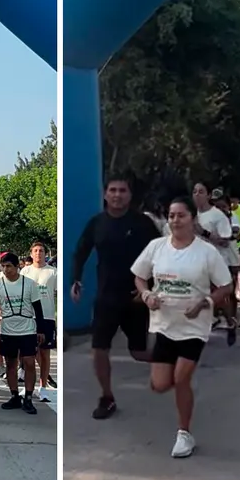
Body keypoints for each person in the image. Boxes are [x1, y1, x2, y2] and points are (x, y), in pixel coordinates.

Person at [132, 196, 233, 458]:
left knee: (181, 379)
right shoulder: (156, 247)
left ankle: (184, 434)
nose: (175, 220)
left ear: (193, 219)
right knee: (160, 383)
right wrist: (146, 296)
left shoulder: (206, 252)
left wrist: (205, 302)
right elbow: (140, 277)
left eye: (181, 215)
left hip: (194, 326)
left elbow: (226, 286)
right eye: (172, 215)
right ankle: (181, 389)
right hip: (164, 325)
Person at [71, 176, 160, 419]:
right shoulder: (97, 223)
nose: (117, 194)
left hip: (135, 298)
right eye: (113, 190)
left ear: (130, 196)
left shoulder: (142, 224)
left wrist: (151, 288)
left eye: (122, 190)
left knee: (138, 353)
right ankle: (106, 397)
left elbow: (162, 256)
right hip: (106, 297)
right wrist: (75, 280)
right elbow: (80, 251)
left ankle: (172, 358)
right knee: (99, 349)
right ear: (105, 194)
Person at [0, 252, 45, 415]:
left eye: (9, 266)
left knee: (29, 362)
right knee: (11, 364)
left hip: (27, 329)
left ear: (17, 267)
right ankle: (14, 395)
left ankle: (28, 397)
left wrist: (40, 330)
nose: (5, 270)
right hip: (7, 329)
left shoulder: (29, 284)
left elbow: (38, 308)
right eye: (3, 266)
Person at [192, 183, 240, 344]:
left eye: (201, 192)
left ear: (208, 195)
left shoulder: (217, 215)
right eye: (195, 192)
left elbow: (226, 241)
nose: (197, 195)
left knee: (218, 295)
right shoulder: (191, 214)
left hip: (216, 260)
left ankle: (230, 321)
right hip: (195, 260)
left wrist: (203, 232)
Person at [21, 241, 58, 401]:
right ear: (31, 253)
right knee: (27, 354)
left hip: (47, 317)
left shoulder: (53, 272)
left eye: (41, 250)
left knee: (44, 354)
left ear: (45, 253)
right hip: (28, 317)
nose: (38, 253)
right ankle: (28, 387)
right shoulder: (25, 271)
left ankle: (43, 387)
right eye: (35, 250)